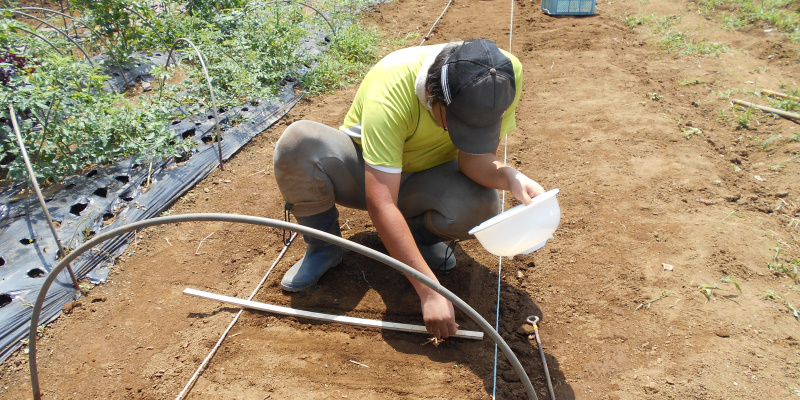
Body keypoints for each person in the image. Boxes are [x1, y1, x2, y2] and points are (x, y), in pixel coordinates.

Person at [273, 38, 545, 339]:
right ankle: (324, 247)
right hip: (367, 174)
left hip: (428, 178)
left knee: (481, 206)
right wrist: (429, 292)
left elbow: (473, 161)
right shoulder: (392, 87)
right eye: (458, 125)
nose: (465, 133)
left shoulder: (501, 76)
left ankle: (418, 237)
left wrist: (510, 177)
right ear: (431, 95)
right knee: (297, 144)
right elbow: (382, 203)